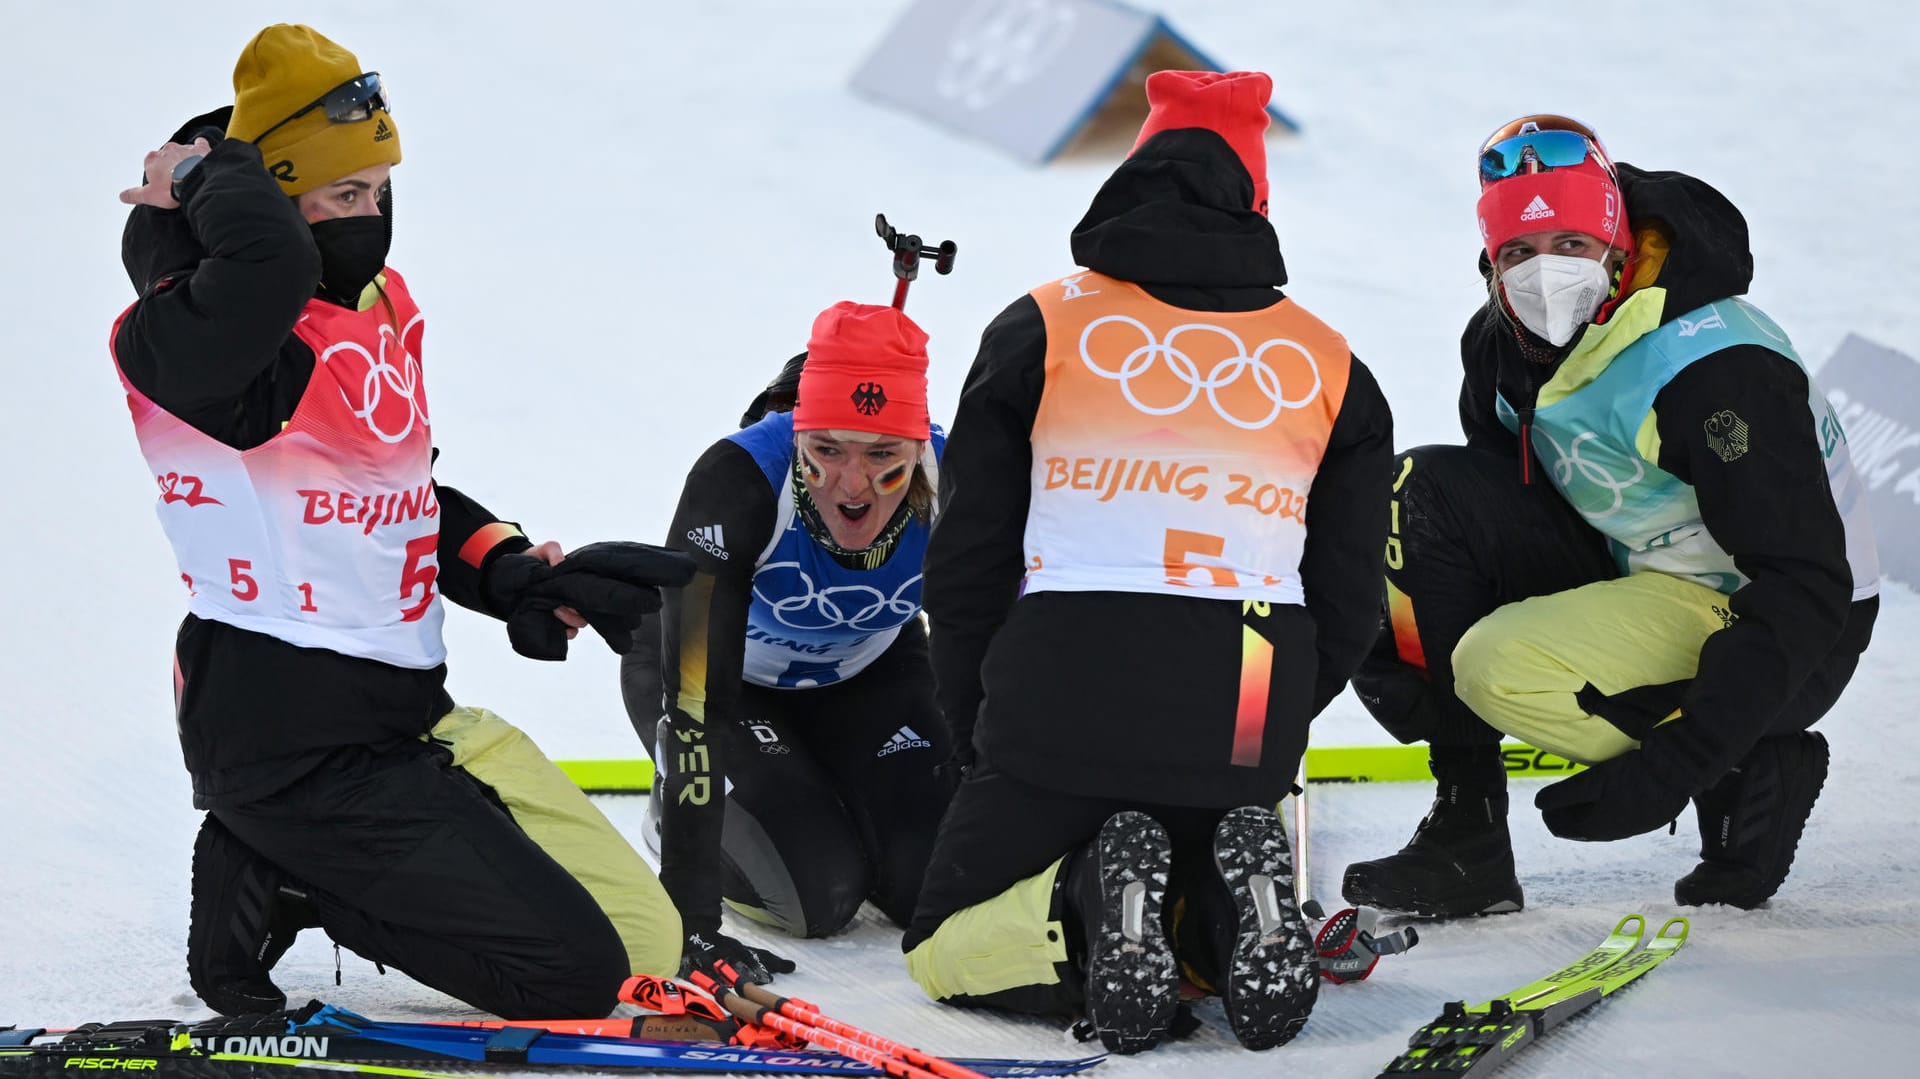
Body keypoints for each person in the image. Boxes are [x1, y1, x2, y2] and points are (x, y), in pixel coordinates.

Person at [112, 24, 693, 1019]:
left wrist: (510, 568)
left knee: (648, 943)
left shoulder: (370, 308)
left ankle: (337, 851)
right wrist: (209, 178)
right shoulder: (184, 344)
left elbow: (400, 496)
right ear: (271, 201)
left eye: (379, 193)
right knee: (576, 979)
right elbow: (257, 274)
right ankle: (289, 869)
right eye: (343, 196)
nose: (370, 219)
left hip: (403, 716)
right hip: (285, 739)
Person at [901, 71, 1395, 1054]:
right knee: (1213, 816)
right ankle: (1233, 911)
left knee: (946, 938)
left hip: (1063, 683)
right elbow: (1349, 598)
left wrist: (979, 724)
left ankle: (1091, 905)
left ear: (1132, 175)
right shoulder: (1332, 362)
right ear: (1257, 197)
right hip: (1248, 696)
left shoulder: (1040, 326)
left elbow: (966, 567)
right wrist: (1278, 712)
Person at [1341, 114, 1879, 918]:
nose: (1543, 274)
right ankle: (1470, 831)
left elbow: (1807, 582)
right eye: (1517, 254)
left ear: (1620, 245)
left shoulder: (1719, 367)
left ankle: (1746, 755)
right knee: (1409, 500)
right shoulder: (1499, 344)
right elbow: (1473, 538)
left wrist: (1680, 758)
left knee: (1499, 664)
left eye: (1570, 245)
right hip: (1637, 561)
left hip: (1791, 617)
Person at [623, 301, 952, 985]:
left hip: (867, 672)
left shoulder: (961, 480)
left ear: (920, 444)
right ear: (795, 435)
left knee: (940, 886)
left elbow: (1011, 661)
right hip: (725, 687)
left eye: (884, 455)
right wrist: (690, 914)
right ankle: (677, 812)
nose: (852, 488)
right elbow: (695, 700)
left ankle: (821, 785)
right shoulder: (739, 481)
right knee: (818, 896)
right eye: (825, 450)